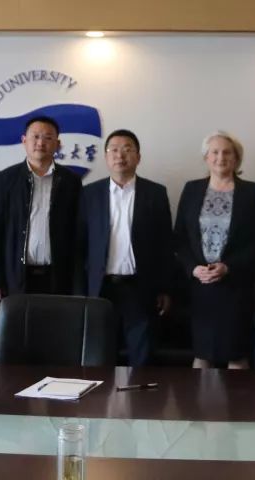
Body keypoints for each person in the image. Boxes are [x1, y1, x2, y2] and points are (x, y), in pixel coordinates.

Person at [75, 129, 173, 367]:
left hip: (140, 287)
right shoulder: (89, 194)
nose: (120, 155)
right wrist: (80, 290)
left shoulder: (155, 193)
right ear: (106, 157)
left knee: (142, 356)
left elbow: (165, 245)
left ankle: (140, 393)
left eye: (127, 149)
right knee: (98, 355)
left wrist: (165, 288)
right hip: (100, 288)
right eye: (114, 150)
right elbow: (79, 245)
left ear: (138, 157)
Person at [175, 131, 255, 369]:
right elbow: (180, 238)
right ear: (206, 158)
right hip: (201, 285)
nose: (221, 157)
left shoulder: (252, 192)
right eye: (214, 152)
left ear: (236, 158)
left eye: (227, 152)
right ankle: (199, 396)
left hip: (236, 285)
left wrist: (229, 267)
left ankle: (239, 396)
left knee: (236, 354)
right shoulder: (192, 189)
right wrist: (193, 268)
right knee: (202, 353)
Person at [0, 116, 82, 298]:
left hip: (58, 277)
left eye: (48, 137)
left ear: (58, 144)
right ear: (24, 140)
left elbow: (77, 233)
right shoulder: (4, 180)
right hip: (16, 276)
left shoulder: (71, 181)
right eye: (35, 136)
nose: (40, 143)